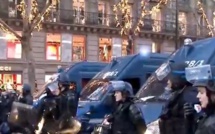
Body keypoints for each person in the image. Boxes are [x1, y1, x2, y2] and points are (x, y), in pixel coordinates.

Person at [158, 62, 199, 134]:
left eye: (170, 79)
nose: (168, 82)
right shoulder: (179, 93)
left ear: (177, 79)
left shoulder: (189, 96)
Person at [184, 64, 215, 134]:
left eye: (201, 92)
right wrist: (190, 121)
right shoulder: (208, 117)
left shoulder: (211, 126)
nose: (198, 96)